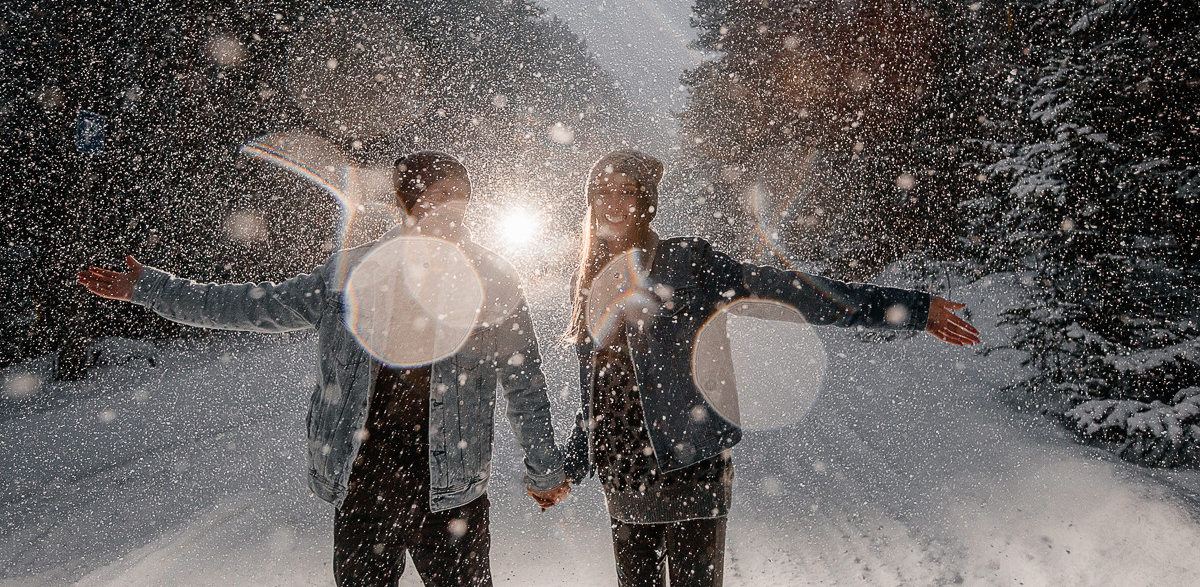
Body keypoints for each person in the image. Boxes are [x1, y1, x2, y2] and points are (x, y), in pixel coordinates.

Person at [78, 151, 571, 587]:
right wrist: (150, 288)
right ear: (410, 201)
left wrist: (545, 470)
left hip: (449, 486)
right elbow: (252, 305)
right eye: (444, 195)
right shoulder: (349, 274)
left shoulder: (491, 278)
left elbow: (524, 383)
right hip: (364, 481)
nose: (457, 209)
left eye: (464, 198)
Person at [561, 150, 979, 587]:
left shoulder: (688, 262)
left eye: (626, 191)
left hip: (693, 461)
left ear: (646, 201)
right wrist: (570, 466)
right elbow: (595, 391)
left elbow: (794, 293)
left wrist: (910, 308)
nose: (613, 202)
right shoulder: (586, 283)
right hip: (625, 470)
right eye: (602, 192)